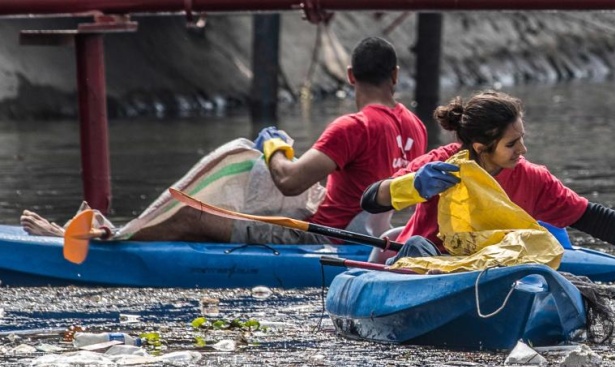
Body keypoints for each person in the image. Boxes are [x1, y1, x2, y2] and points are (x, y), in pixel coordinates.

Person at [20, 36, 427, 245]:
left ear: (351, 76)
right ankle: (135, 231)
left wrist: (273, 145)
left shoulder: (352, 126)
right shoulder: (415, 125)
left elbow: (288, 180)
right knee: (217, 211)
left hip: (323, 237)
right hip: (368, 231)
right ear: (394, 76)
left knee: (189, 214)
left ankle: (102, 239)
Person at [360, 90, 615, 261]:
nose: (522, 151)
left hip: (484, 269)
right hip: (423, 262)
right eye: (512, 144)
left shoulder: (532, 179)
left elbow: (591, 217)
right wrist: (414, 184)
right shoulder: (445, 162)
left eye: (522, 139)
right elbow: (371, 200)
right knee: (418, 248)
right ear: (482, 146)